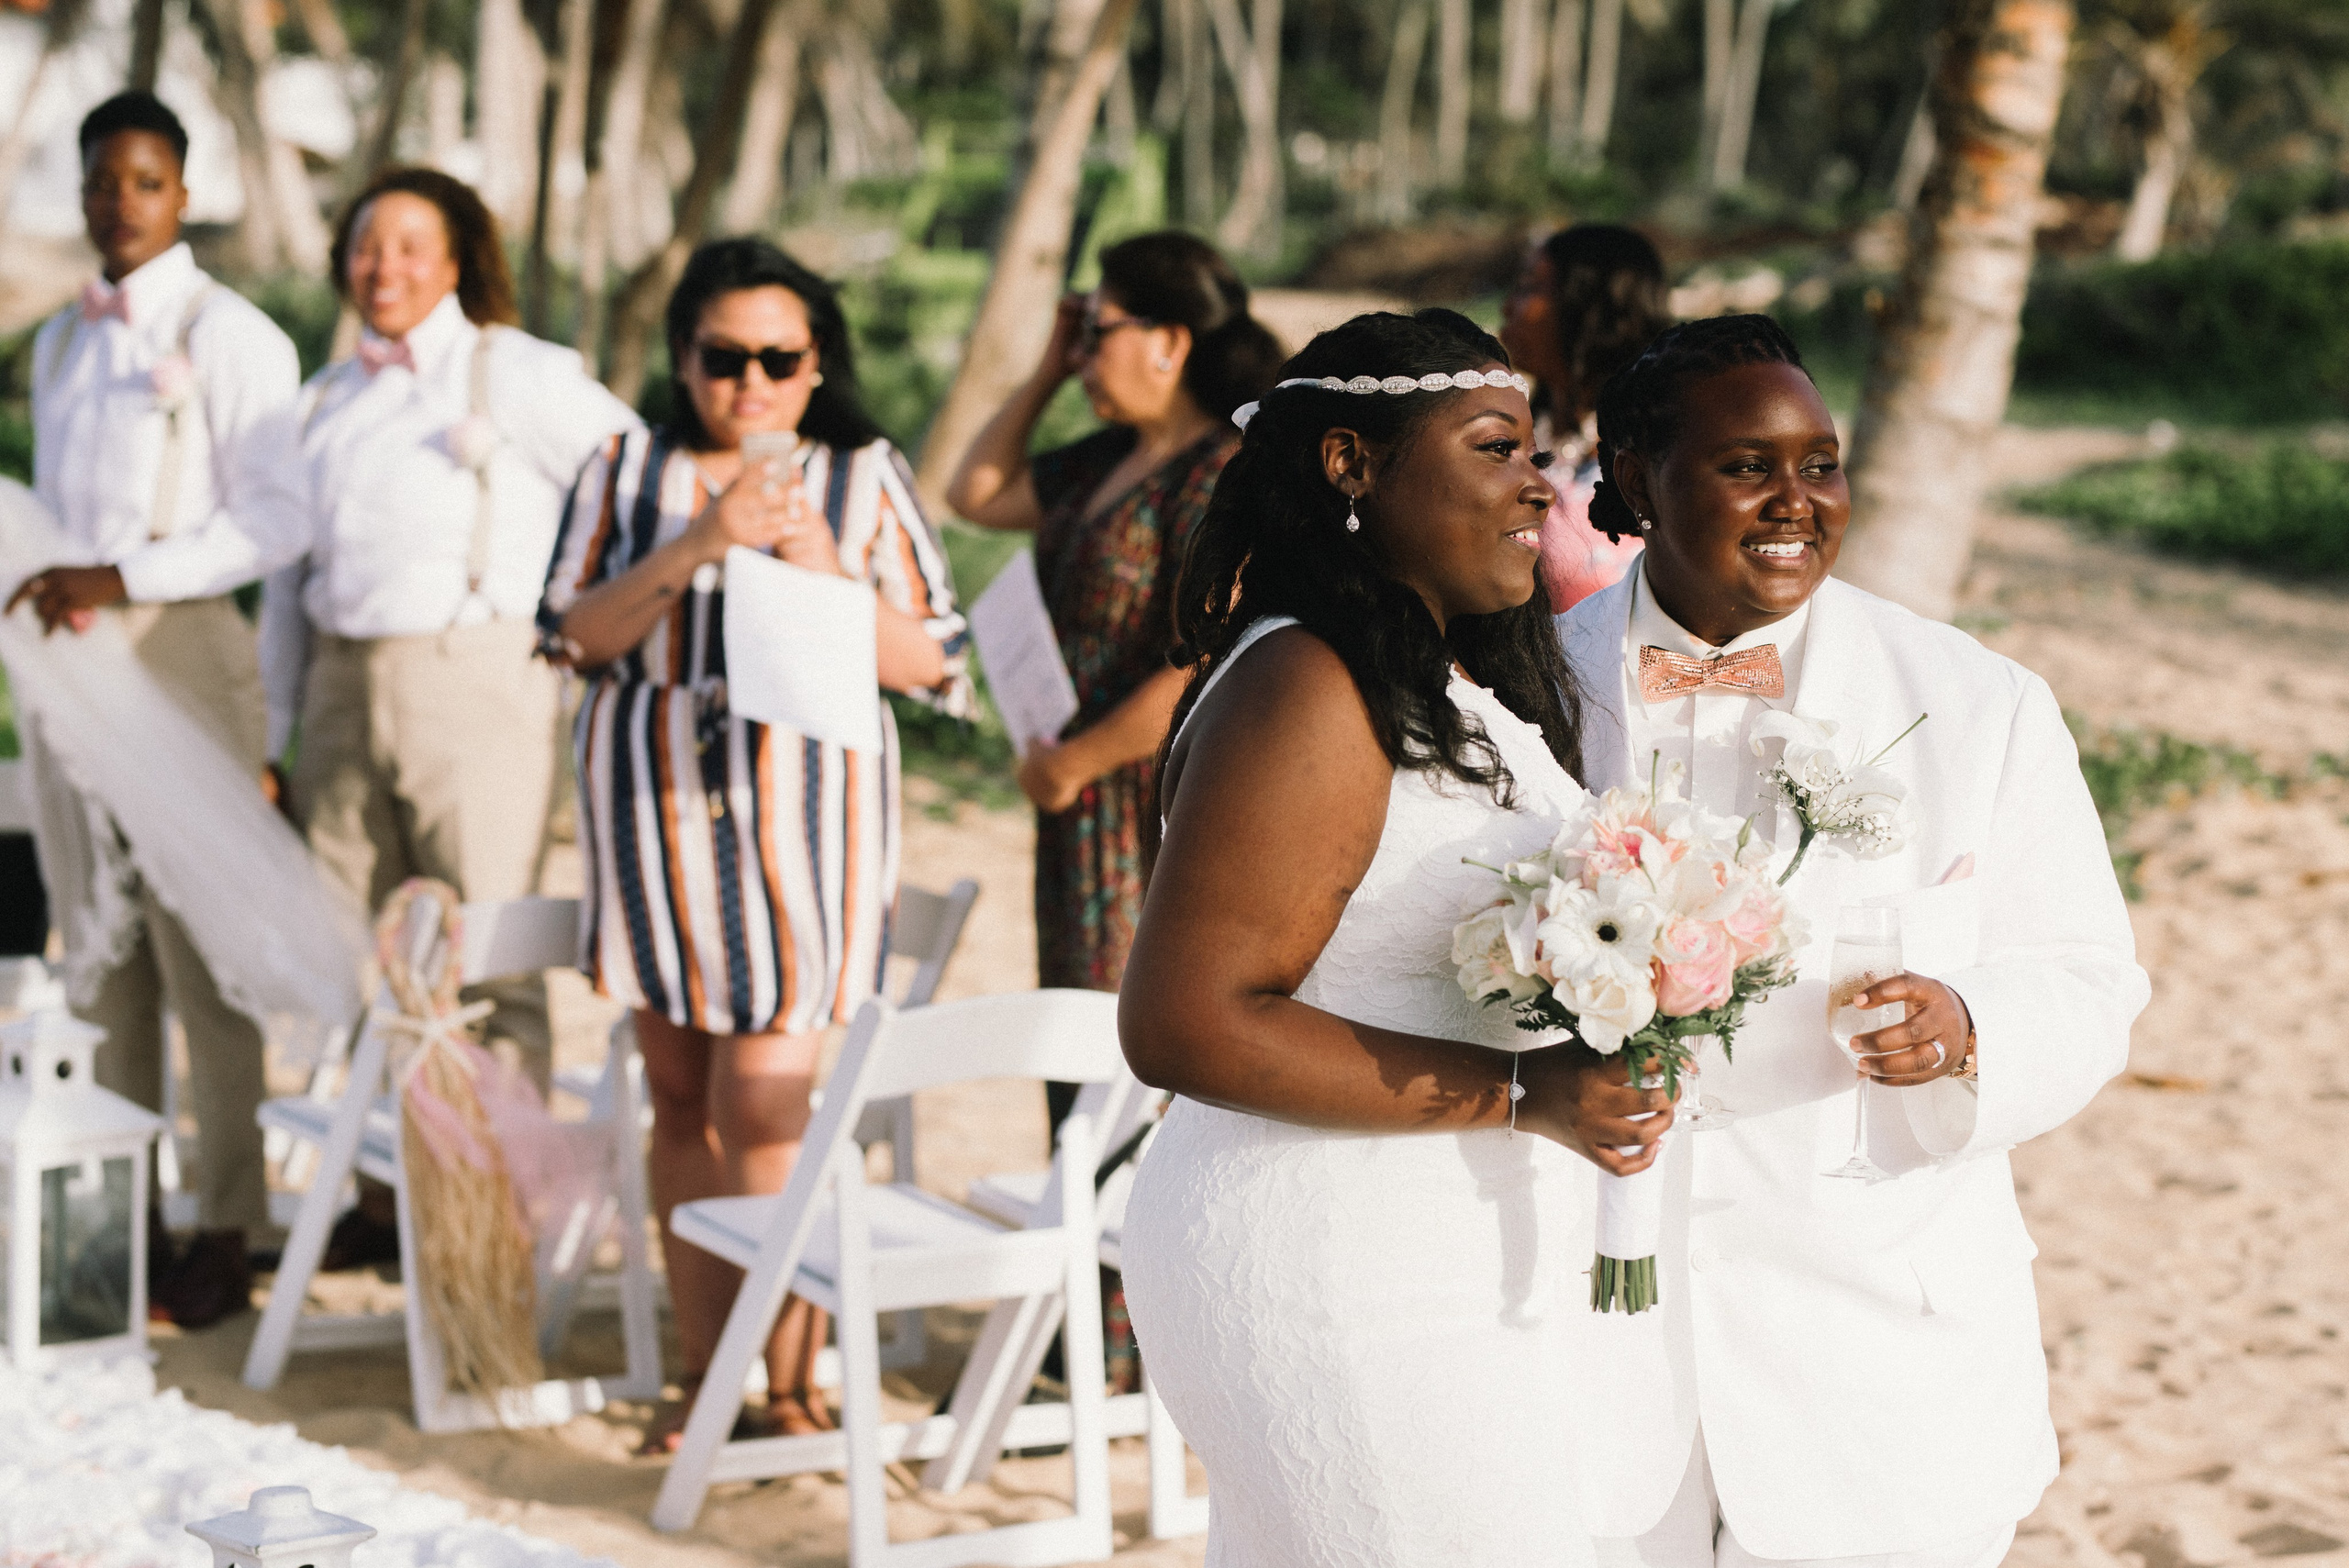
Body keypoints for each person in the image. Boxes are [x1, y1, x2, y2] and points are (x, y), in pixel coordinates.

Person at [1553, 315, 2148, 1566]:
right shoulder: (1518, 694)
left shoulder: (1973, 702)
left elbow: (2093, 979)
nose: (1798, 502)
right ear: (1635, 481)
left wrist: (1974, 1028)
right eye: (1746, 466)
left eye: (1820, 464)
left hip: (1878, 1364)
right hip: (1586, 1350)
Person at [1117, 309, 1675, 1566]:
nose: (1542, 483)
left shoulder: (1453, 683)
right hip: (1333, 1261)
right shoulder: (1304, 685)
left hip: (1448, 1247)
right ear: (1348, 464)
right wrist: (1530, 1090)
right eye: (1495, 448)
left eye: (1538, 451)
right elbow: (1184, 1019)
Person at [540, 238, 971, 1445]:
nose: (751, 381)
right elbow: (572, 636)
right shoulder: (624, 470)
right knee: (680, 1101)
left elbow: (936, 657)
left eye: (778, 358)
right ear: (684, 359)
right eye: (724, 357)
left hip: (805, 827)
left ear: (814, 360)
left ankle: (783, 1379)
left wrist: (820, 565)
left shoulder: (862, 475)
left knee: (767, 1105)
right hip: (654, 813)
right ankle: (706, 1370)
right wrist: (699, 543)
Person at [262, 167, 641, 1268]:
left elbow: (633, 478)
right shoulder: (325, 396)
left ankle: (497, 1220)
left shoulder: (515, 373)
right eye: (367, 247)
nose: (385, 269)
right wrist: (273, 729)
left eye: (410, 247)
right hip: (338, 683)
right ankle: (391, 1199)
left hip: (475, 679)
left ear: (458, 260)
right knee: (363, 949)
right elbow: (288, 583)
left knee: (485, 946)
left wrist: (582, 617)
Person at [9, 90, 310, 1328]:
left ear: (181, 193)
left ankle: (228, 1228)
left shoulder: (231, 333)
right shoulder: (61, 343)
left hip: (179, 649)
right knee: (102, 955)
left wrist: (122, 576)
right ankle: (115, 1220)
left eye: (141, 182)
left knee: (205, 957)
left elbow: (276, 520)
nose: (116, 203)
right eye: (98, 182)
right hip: (67, 667)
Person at [946, 230, 1281, 1025]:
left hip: (1150, 802)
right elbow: (976, 493)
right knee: (1069, 1024)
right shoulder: (1106, 459)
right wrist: (1048, 367)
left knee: (1127, 1045)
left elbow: (1210, 659)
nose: (1085, 354)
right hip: (1076, 793)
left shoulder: (1220, 473)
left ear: (1169, 341)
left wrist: (1076, 763)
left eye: (1098, 332)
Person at [1499, 224, 1671, 610]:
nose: (1508, 307)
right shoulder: (1516, 432)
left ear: (1588, 307)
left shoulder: (1659, 454)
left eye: (1529, 288)